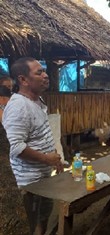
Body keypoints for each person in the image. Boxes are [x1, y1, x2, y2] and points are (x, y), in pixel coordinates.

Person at [3, 57, 63, 234]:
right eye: (39, 73)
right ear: (23, 80)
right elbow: (15, 147)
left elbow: (40, 135)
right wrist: (46, 158)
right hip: (29, 182)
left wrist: (54, 159)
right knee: (33, 225)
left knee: (43, 218)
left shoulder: (37, 101)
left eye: (44, 71)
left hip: (42, 177)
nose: (46, 75)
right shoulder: (18, 107)